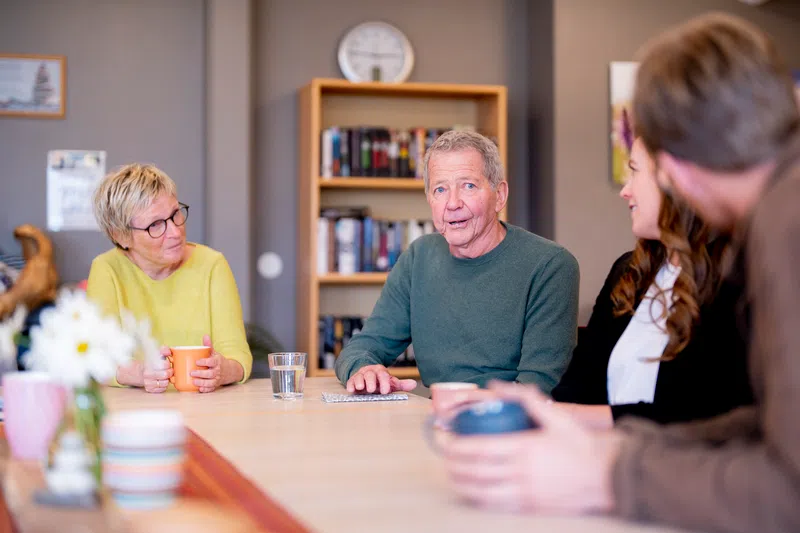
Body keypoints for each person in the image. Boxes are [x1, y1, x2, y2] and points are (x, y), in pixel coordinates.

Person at [439, 13, 800, 533]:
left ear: (675, 164)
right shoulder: (771, 216)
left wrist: (607, 475)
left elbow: (789, 489)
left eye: (642, 167)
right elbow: (761, 425)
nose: (630, 188)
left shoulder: (783, 222)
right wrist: (603, 439)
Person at [335, 130, 580, 394]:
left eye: (468, 186)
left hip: (512, 427)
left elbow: (537, 388)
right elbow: (363, 347)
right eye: (440, 189)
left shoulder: (551, 266)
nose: (452, 203)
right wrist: (364, 369)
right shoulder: (419, 257)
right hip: (437, 420)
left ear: (500, 195)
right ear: (430, 199)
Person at [550, 138, 753, 428]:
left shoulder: (735, 279)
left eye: (634, 171)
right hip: (608, 460)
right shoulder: (628, 271)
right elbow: (579, 382)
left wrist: (571, 416)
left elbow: (702, 409)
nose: (625, 191)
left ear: (675, 182)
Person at [87, 163, 252, 393]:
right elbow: (96, 360)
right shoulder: (107, 269)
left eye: (175, 214)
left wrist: (224, 370)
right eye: (155, 225)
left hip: (205, 408)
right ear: (121, 236)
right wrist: (139, 373)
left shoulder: (212, 264)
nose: (175, 232)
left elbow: (238, 355)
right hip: (134, 412)